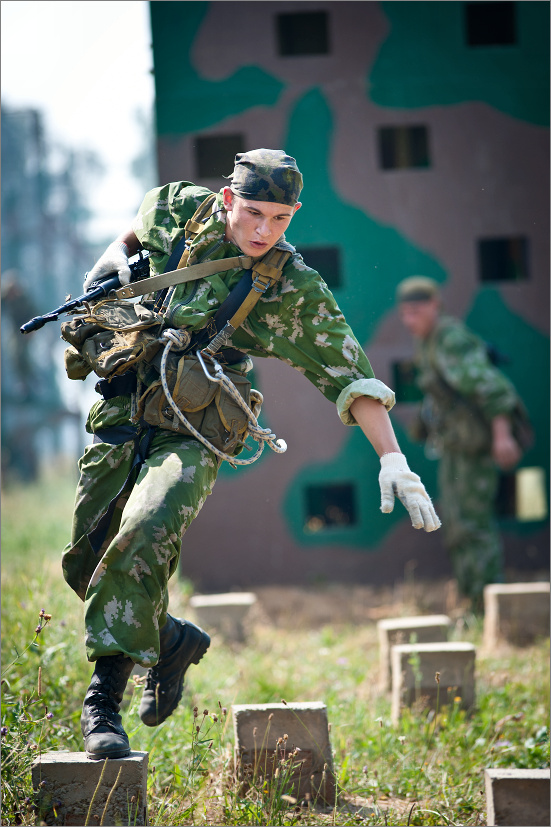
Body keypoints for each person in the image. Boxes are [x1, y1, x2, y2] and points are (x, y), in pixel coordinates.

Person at [63, 150, 440, 761]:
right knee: (87, 565)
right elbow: (133, 232)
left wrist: (392, 458)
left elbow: (348, 371)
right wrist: (106, 270)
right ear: (228, 199)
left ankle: (102, 705)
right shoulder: (179, 208)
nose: (264, 230)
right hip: (123, 407)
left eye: (280, 219)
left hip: (196, 426)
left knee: (145, 527)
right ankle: (171, 642)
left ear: (293, 216)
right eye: (254, 213)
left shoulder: (291, 285)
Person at [396, 276, 526, 610]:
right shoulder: (428, 341)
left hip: (476, 447)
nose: (410, 320)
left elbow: (493, 388)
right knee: (455, 525)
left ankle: (488, 605)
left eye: (416, 312)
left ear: (434, 306)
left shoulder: (450, 340)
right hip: (456, 446)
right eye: (405, 313)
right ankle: (471, 600)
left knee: (473, 525)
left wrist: (503, 437)